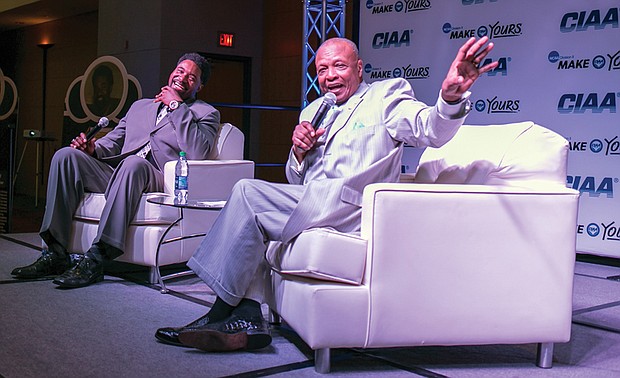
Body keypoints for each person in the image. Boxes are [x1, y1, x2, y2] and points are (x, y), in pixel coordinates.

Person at [155, 37, 498, 351]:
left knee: (247, 192)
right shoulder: (313, 110)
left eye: (339, 66)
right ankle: (246, 317)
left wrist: (451, 98)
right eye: (322, 69)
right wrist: (299, 153)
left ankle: (219, 312)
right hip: (314, 202)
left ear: (359, 68)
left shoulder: (386, 97)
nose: (330, 75)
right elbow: (295, 177)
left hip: (351, 206)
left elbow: (430, 128)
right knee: (254, 218)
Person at [11, 53, 221, 288]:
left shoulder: (205, 113)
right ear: (172, 72)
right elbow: (114, 140)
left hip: (156, 177)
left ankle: (97, 258)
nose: (183, 78)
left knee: (133, 164)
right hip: (120, 173)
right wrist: (93, 149)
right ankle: (55, 253)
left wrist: (176, 105)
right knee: (66, 156)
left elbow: (198, 152)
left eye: (192, 77)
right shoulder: (140, 106)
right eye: (180, 71)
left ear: (200, 86)